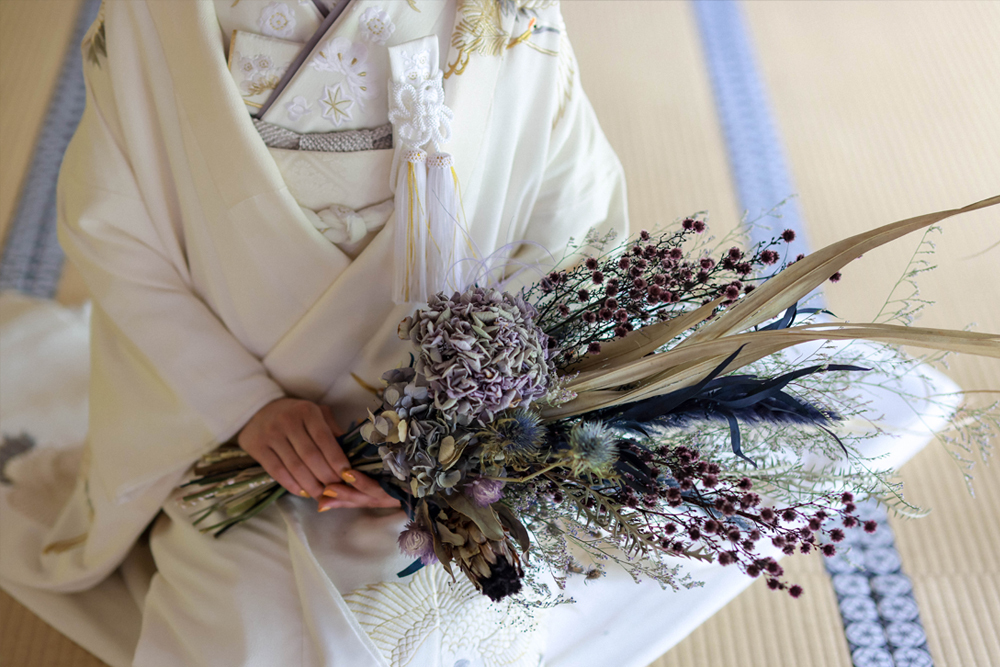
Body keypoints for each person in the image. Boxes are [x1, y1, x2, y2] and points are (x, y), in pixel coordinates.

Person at [3, 1, 631, 665]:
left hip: (448, 435)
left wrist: (444, 447)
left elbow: (571, 223)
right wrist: (242, 401)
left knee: (470, 629)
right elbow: (113, 227)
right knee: (243, 639)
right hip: (238, 433)